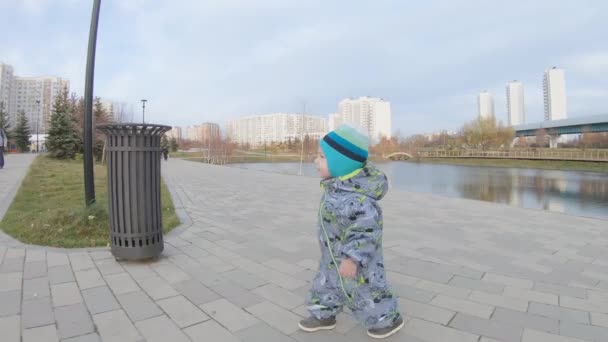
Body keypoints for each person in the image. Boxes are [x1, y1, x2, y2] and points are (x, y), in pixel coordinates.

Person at [299, 124, 404, 339]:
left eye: (321, 157)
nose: (315, 161)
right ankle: (324, 314)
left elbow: (366, 231)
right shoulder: (335, 187)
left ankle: (387, 318)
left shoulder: (360, 199)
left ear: (341, 163)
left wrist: (352, 257)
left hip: (356, 261)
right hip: (332, 254)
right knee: (326, 283)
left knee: (369, 289)